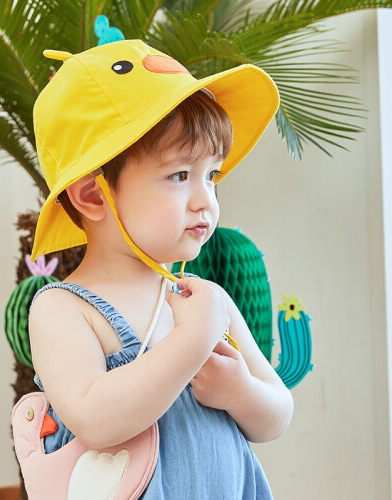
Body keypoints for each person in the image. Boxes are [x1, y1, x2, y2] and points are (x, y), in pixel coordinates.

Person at [27, 39, 294, 498]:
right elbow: (95, 421)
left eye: (211, 175)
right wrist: (192, 341)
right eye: (179, 176)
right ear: (93, 195)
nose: (205, 200)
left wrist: (240, 391)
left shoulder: (206, 300)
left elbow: (277, 415)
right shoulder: (62, 309)